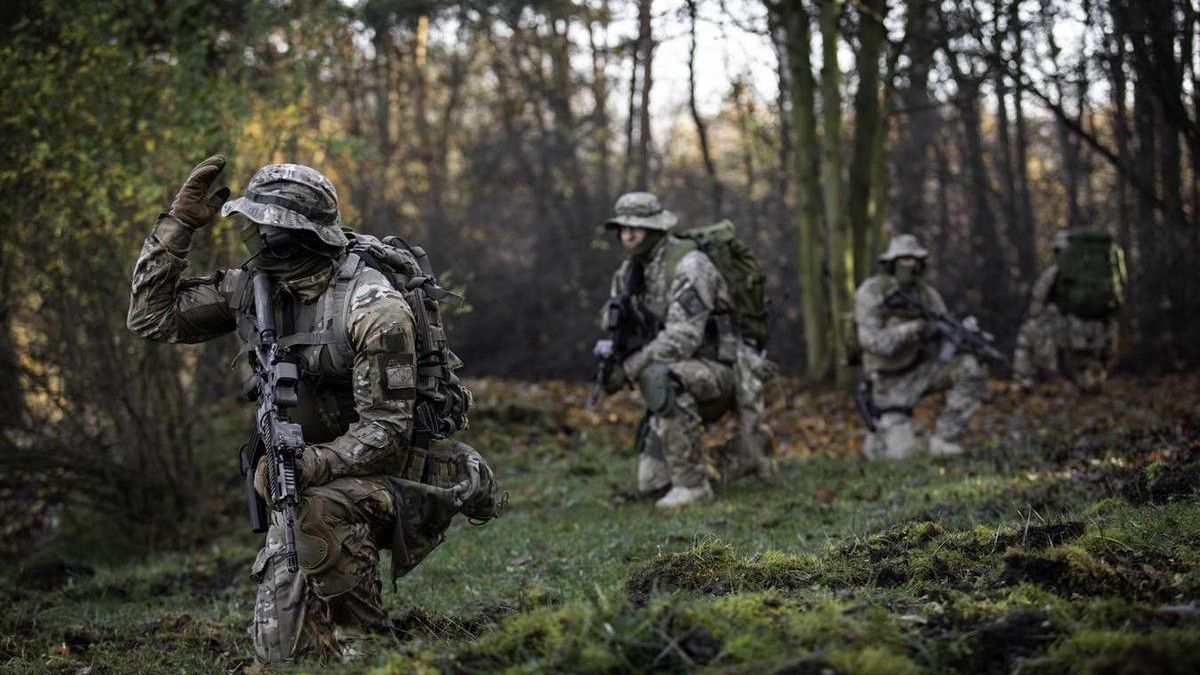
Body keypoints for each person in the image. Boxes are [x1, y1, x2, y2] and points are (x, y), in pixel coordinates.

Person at [127, 156, 498, 664]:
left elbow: (386, 433)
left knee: (319, 510)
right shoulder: (254, 289)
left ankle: (368, 645)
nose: (255, 237)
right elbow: (151, 317)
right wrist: (179, 224)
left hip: (394, 478)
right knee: (284, 658)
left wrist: (307, 466)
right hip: (305, 480)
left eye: (265, 227)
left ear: (296, 235)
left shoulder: (372, 307)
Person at [596, 191, 775, 509]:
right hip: (680, 368)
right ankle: (744, 454)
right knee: (651, 483)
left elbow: (683, 337)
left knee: (659, 379)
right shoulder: (629, 274)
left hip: (720, 369)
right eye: (623, 228)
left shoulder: (690, 265)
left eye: (637, 227)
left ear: (656, 229)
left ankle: (693, 486)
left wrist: (628, 370)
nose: (629, 234)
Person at [854, 233, 986, 459]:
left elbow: (944, 330)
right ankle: (879, 438)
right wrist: (914, 330)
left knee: (970, 367)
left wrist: (962, 340)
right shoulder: (872, 292)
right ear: (892, 262)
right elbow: (872, 342)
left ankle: (945, 438)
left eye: (914, 260)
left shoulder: (927, 295)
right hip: (887, 384)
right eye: (904, 259)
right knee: (901, 456)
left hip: (920, 372)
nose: (910, 265)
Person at [1013, 229, 1124, 393]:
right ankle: (1091, 379)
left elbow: (1036, 305)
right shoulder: (1101, 275)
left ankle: (1024, 380)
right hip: (1101, 331)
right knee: (1087, 365)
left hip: (1068, 332)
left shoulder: (1054, 273)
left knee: (1027, 331)